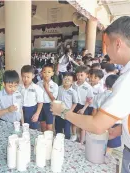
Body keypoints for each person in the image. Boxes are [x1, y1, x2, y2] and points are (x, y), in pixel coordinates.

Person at [52, 16, 130, 173]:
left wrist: (62, 112)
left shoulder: (127, 79)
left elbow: (97, 125)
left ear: (118, 44)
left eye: (107, 45)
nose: (106, 52)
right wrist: (122, 130)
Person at [92, 75, 121, 149]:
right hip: (115, 125)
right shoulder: (120, 97)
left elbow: (94, 112)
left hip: (100, 123)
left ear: (105, 85)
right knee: (110, 148)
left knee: (98, 146)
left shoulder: (98, 96)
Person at [72, 66, 94, 143]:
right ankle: (74, 135)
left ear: (86, 75)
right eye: (77, 75)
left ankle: (81, 141)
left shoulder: (88, 87)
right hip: (74, 105)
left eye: (81, 75)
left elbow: (89, 100)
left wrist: (83, 109)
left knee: (83, 125)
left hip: (83, 106)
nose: (79, 77)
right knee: (73, 122)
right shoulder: (73, 85)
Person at [19, 65, 43, 129]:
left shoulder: (37, 88)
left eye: (28, 77)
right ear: (21, 76)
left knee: (33, 129)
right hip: (21, 111)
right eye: (24, 76)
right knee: (22, 128)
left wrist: (37, 114)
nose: (26, 79)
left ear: (33, 76)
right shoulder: (19, 87)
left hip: (32, 111)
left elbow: (40, 102)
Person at [55, 72, 78, 139]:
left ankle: (67, 142)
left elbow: (75, 102)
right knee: (58, 127)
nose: (66, 81)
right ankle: (58, 140)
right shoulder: (58, 88)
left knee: (66, 129)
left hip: (67, 112)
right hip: (58, 111)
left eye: (69, 80)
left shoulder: (73, 92)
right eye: (65, 79)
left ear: (72, 82)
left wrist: (70, 111)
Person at [37, 64, 59, 131]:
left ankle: (49, 138)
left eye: (49, 72)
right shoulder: (38, 84)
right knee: (42, 123)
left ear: (52, 73)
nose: (46, 74)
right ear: (41, 73)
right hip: (40, 105)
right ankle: (43, 138)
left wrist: (46, 89)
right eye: (44, 72)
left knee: (49, 125)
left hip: (49, 106)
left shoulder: (55, 85)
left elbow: (53, 99)